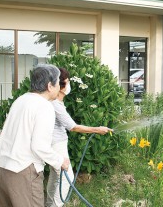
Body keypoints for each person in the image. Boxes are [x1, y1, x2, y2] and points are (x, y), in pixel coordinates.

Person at [0, 64, 70, 207]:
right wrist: (60, 161)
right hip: (23, 171)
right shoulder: (44, 106)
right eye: (57, 82)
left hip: (3, 168)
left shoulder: (21, 100)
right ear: (50, 86)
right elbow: (39, 146)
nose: (60, 86)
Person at [45, 68, 113, 207]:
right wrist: (97, 129)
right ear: (60, 86)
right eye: (68, 82)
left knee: (55, 175)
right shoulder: (55, 104)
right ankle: (56, 205)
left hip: (56, 143)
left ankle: (49, 204)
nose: (70, 85)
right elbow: (73, 127)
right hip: (56, 145)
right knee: (66, 175)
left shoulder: (56, 103)